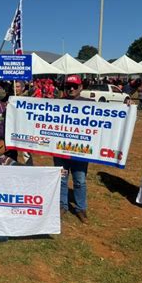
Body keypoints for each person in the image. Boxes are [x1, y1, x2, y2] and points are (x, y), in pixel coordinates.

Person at [53, 75, 90, 223]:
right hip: (60, 150)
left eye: (75, 86)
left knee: (80, 180)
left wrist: (128, 107)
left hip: (80, 152)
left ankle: (81, 208)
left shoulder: (91, 104)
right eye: (68, 86)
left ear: (81, 87)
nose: (72, 89)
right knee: (61, 179)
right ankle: (63, 206)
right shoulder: (57, 103)